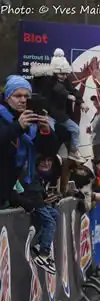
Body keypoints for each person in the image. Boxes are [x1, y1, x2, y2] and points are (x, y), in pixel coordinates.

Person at [0, 75, 58, 208]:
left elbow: (48, 152)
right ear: (7, 96)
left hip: (20, 184)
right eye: (18, 96)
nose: (23, 100)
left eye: (27, 96)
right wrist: (17, 127)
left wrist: (46, 132)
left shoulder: (29, 118)